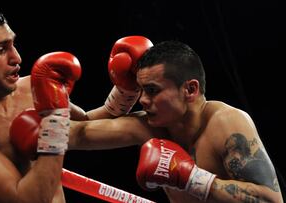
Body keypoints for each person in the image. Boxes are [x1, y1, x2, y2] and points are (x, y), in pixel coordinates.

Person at [0, 4, 153, 203]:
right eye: (0, 50)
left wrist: (126, 91)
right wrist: (55, 120)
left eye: (13, 44)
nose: (17, 58)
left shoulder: (30, 88)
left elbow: (86, 124)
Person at [68, 40, 284, 202]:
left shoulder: (225, 122)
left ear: (190, 89)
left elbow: (270, 199)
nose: (142, 100)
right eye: (140, 90)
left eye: (152, 90)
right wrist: (118, 101)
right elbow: (76, 134)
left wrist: (192, 178)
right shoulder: (149, 126)